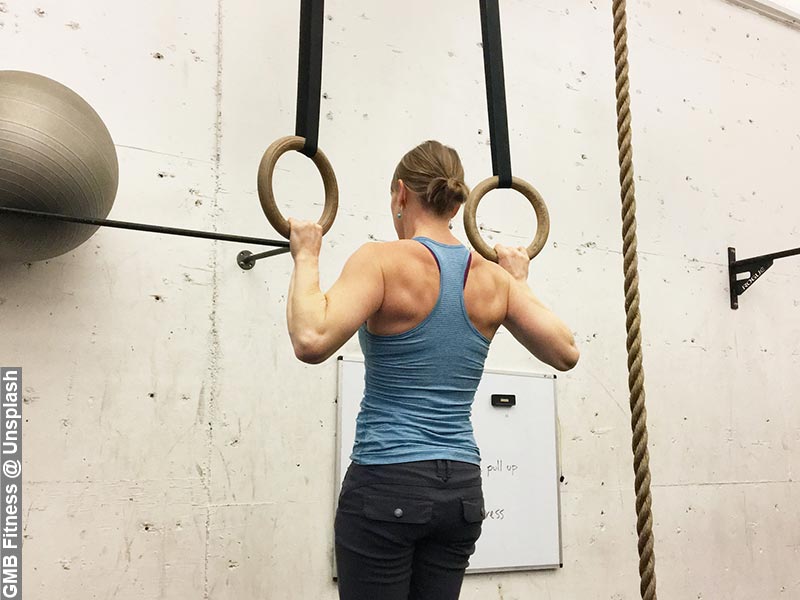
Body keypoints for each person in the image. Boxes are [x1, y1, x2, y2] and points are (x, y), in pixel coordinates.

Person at [286, 140, 579, 600]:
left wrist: (306, 256)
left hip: (388, 482)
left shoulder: (381, 261)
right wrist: (518, 282)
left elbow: (311, 339)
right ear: (457, 200)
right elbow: (566, 351)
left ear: (401, 195)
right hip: (460, 493)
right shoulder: (493, 279)